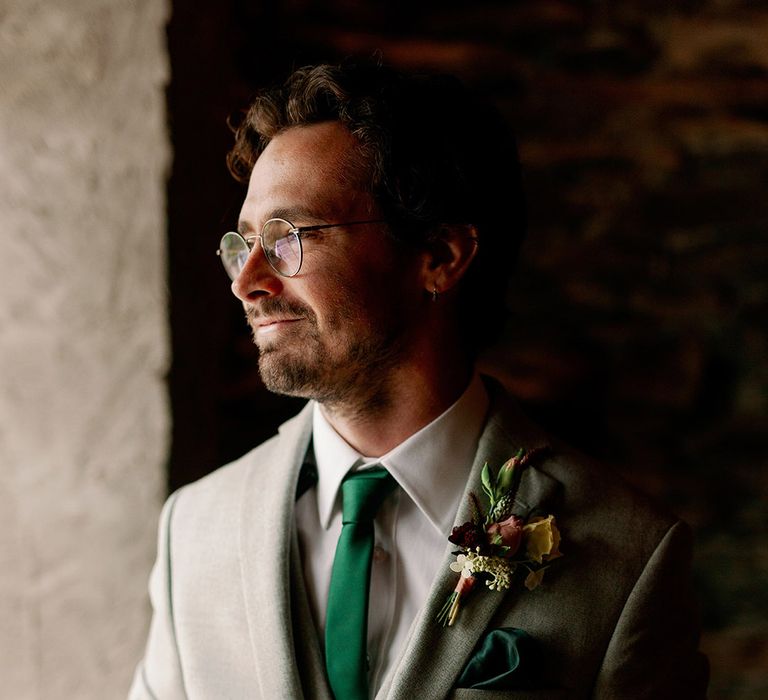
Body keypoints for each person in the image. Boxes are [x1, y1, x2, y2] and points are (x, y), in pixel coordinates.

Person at [129, 61, 708, 699]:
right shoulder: (193, 527)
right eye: (243, 243)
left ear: (440, 257)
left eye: (290, 235)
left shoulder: (628, 554)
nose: (248, 282)